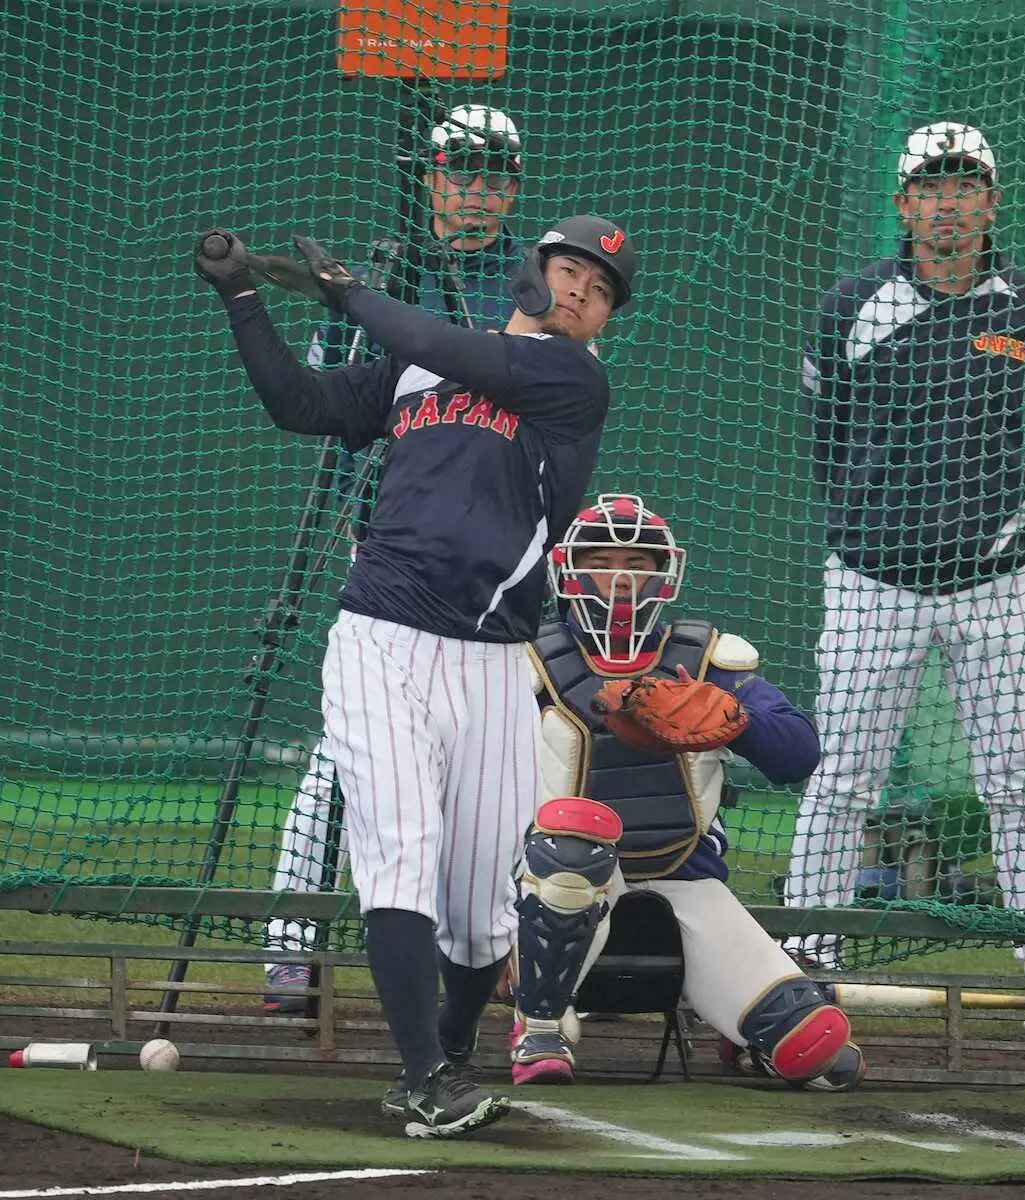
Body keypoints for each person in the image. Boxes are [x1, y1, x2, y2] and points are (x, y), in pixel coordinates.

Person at [193, 214, 636, 1137]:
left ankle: (446, 1050)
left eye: (597, 294)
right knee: (398, 852)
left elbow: (438, 339)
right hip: (382, 638)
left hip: (490, 662)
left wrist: (350, 295)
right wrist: (244, 300)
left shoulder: (573, 379)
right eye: (567, 274)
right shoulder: (418, 365)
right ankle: (427, 1075)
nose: (578, 297)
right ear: (529, 273)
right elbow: (304, 407)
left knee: (481, 913)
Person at [785, 120, 1025, 1017]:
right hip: (872, 584)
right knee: (842, 780)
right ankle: (805, 958)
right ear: (903, 205)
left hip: (997, 588)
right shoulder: (851, 305)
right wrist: (873, 526)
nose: (949, 205)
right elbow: (823, 441)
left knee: (1020, 780)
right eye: (931, 189)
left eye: (965, 187)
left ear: (992, 200)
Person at [264, 104, 526, 1011]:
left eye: (492, 174)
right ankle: (292, 941)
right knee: (345, 756)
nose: (473, 190)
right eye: (458, 170)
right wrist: (357, 299)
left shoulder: (533, 286)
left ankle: (475, 954)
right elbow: (328, 391)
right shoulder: (384, 267)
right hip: (385, 550)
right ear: (429, 178)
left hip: (491, 561)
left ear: (513, 187)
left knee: (483, 771)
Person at [501, 494, 865, 1091]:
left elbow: (799, 753)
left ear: (665, 573)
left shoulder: (704, 661)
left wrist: (737, 719)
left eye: (638, 564)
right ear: (567, 570)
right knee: (574, 839)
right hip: (551, 884)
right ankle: (540, 1028)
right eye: (601, 560)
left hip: (685, 878)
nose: (620, 578)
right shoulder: (523, 659)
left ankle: (743, 1034)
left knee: (817, 1049)